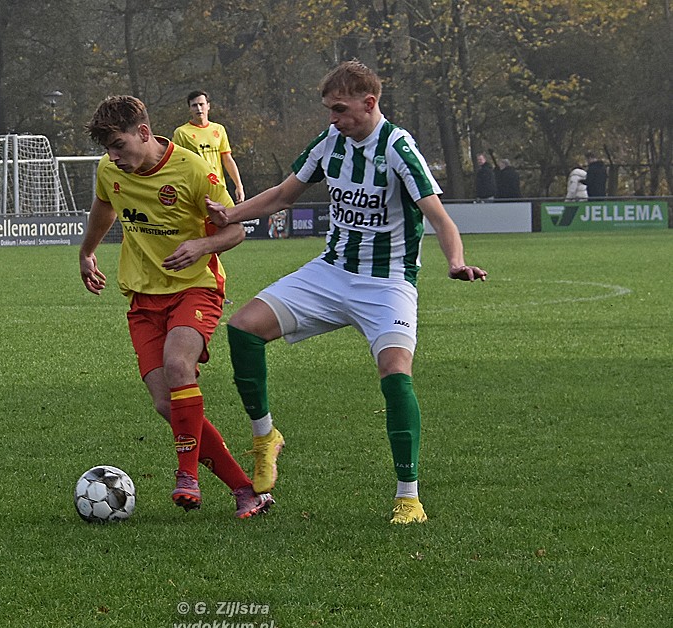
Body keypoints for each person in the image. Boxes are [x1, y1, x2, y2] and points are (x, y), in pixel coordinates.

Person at [204, 61, 487, 525]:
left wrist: (455, 262)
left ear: (369, 103)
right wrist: (231, 215)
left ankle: (409, 498)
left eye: (340, 109)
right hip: (331, 272)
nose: (333, 119)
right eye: (329, 111)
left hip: (387, 282)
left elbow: (439, 217)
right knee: (243, 328)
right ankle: (265, 437)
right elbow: (283, 195)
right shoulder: (330, 142)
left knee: (395, 373)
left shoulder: (398, 147)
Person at [79, 95, 272, 519]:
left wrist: (201, 245)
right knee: (167, 404)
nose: (114, 157)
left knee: (177, 365)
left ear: (144, 132)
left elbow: (236, 230)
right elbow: (105, 205)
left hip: (195, 288)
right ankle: (245, 489)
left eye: (119, 145)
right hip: (143, 298)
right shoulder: (111, 170)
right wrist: (87, 252)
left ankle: (187, 475)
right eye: (108, 149)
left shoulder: (194, 171)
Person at [173, 90, 245, 203]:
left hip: (219, 188)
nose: (199, 108)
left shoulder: (219, 129)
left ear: (208, 106)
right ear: (189, 109)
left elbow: (227, 159)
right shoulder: (181, 132)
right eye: (194, 105)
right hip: (196, 190)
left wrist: (239, 186)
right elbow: (177, 164)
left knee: (230, 214)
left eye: (201, 104)